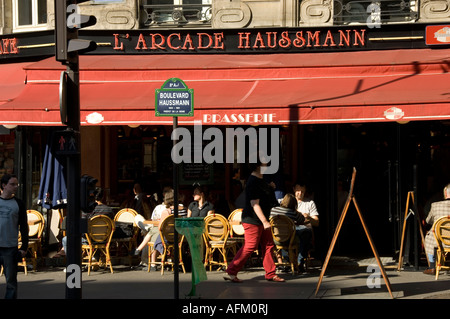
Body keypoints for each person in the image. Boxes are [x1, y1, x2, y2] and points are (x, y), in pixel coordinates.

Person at [224, 160, 285, 283]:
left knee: (268, 245)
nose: (267, 164)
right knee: (250, 246)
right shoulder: (253, 182)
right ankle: (231, 270)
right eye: (264, 163)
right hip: (253, 220)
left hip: (262, 219)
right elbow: (254, 204)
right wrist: (265, 221)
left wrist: (270, 187)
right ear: (257, 166)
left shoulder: (261, 180)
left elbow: (263, 197)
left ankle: (271, 274)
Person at [0, 174, 28, 299]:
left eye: (16, 184)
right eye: (12, 184)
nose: (16, 187)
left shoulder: (18, 204)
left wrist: (24, 247)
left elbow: (24, 226)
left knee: (11, 282)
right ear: (4, 185)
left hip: (10, 247)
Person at [423, 183, 450, 275]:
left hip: (438, 240)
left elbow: (428, 220)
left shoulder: (435, 205)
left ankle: (432, 266)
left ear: (445, 194)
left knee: (430, 236)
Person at [293, 182, 318, 271]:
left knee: (306, 233)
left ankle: (299, 262)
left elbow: (316, 222)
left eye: (302, 191)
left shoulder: (309, 203)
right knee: (283, 232)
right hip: (291, 227)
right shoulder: (288, 202)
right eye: (298, 191)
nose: (300, 193)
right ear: (294, 190)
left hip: (304, 228)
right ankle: (288, 261)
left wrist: (308, 218)